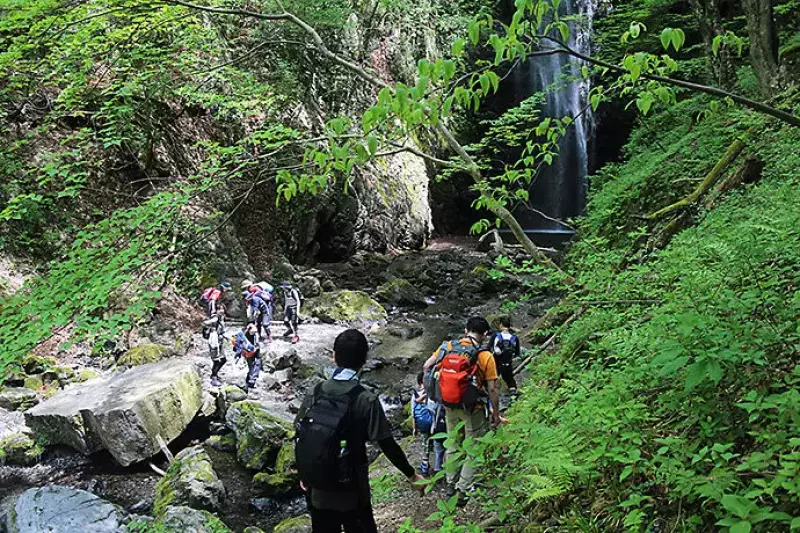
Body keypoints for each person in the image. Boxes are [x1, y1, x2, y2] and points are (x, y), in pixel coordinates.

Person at [294, 329, 424, 532]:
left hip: (319, 489)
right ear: (365, 359)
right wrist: (411, 475)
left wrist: (304, 472)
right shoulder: (366, 399)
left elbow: (300, 433)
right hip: (352, 492)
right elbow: (386, 443)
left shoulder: (315, 391)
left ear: (334, 356)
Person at [422, 316, 499, 507]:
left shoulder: (447, 347)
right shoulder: (485, 355)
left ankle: (450, 483)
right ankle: (462, 489)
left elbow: (426, 366)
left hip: (448, 405)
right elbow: (493, 388)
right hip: (473, 407)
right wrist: (496, 414)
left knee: (453, 443)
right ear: (485, 334)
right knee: (473, 447)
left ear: (466, 330)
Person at [412, 372, 446, 478]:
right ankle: (438, 468)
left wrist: (414, 428)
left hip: (423, 425)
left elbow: (413, 413)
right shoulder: (433, 392)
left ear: (419, 382)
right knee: (437, 445)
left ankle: (424, 469)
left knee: (425, 447)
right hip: (435, 424)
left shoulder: (415, 394)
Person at [487, 316, 521, 394]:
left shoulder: (495, 336)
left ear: (501, 325)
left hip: (496, 361)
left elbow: (488, 348)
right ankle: (513, 396)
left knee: (492, 379)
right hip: (508, 362)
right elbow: (517, 353)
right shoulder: (514, 338)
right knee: (510, 380)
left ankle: (491, 395)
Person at [232, 323, 261, 392]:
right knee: (252, 365)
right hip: (249, 353)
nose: (254, 332)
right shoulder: (244, 335)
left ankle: (250, 380)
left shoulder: (253, 334)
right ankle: (250, 380)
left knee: (253, 365)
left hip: (252, 352)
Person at [202, 306, 227, 387]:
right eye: (219, 309)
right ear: (216, 310)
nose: (221, 311)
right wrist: (210, 323)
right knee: (216, 360)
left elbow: (222, 330)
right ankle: (214, 378)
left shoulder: (221, 318)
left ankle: (214, 374)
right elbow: (207, 322)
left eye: (222, 309)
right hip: (214, 342)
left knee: (223, 359)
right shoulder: (215, 318)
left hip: (220, 342)